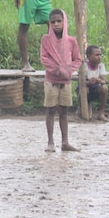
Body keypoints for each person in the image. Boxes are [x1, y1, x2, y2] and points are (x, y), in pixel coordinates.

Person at [40, 9, 82, 153]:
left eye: (59, 21)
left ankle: (65, 142)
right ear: (50, 24)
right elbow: (44, 58)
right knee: (50, 110)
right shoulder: (45, 40)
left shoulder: (71, 41)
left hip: (66, 81)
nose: (56, 25)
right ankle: (50, 142)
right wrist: (57, 69)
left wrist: (69, 70)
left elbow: (78, 59)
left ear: (64, 22)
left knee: (64, 111)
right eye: (53, 22)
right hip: (51, 80)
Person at [79, 45, 108, 121]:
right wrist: (88, 82)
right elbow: (81, 82)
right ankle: (82, 110)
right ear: (88, 56)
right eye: (97, 55)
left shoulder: (101, 66)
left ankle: (101, 113)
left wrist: (98, 80)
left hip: (95, 88)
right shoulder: (84, 66)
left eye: (100, 55)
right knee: (84, 90)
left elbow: (103, 81)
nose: (99, 57)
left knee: (104, 88)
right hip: (85, 87)